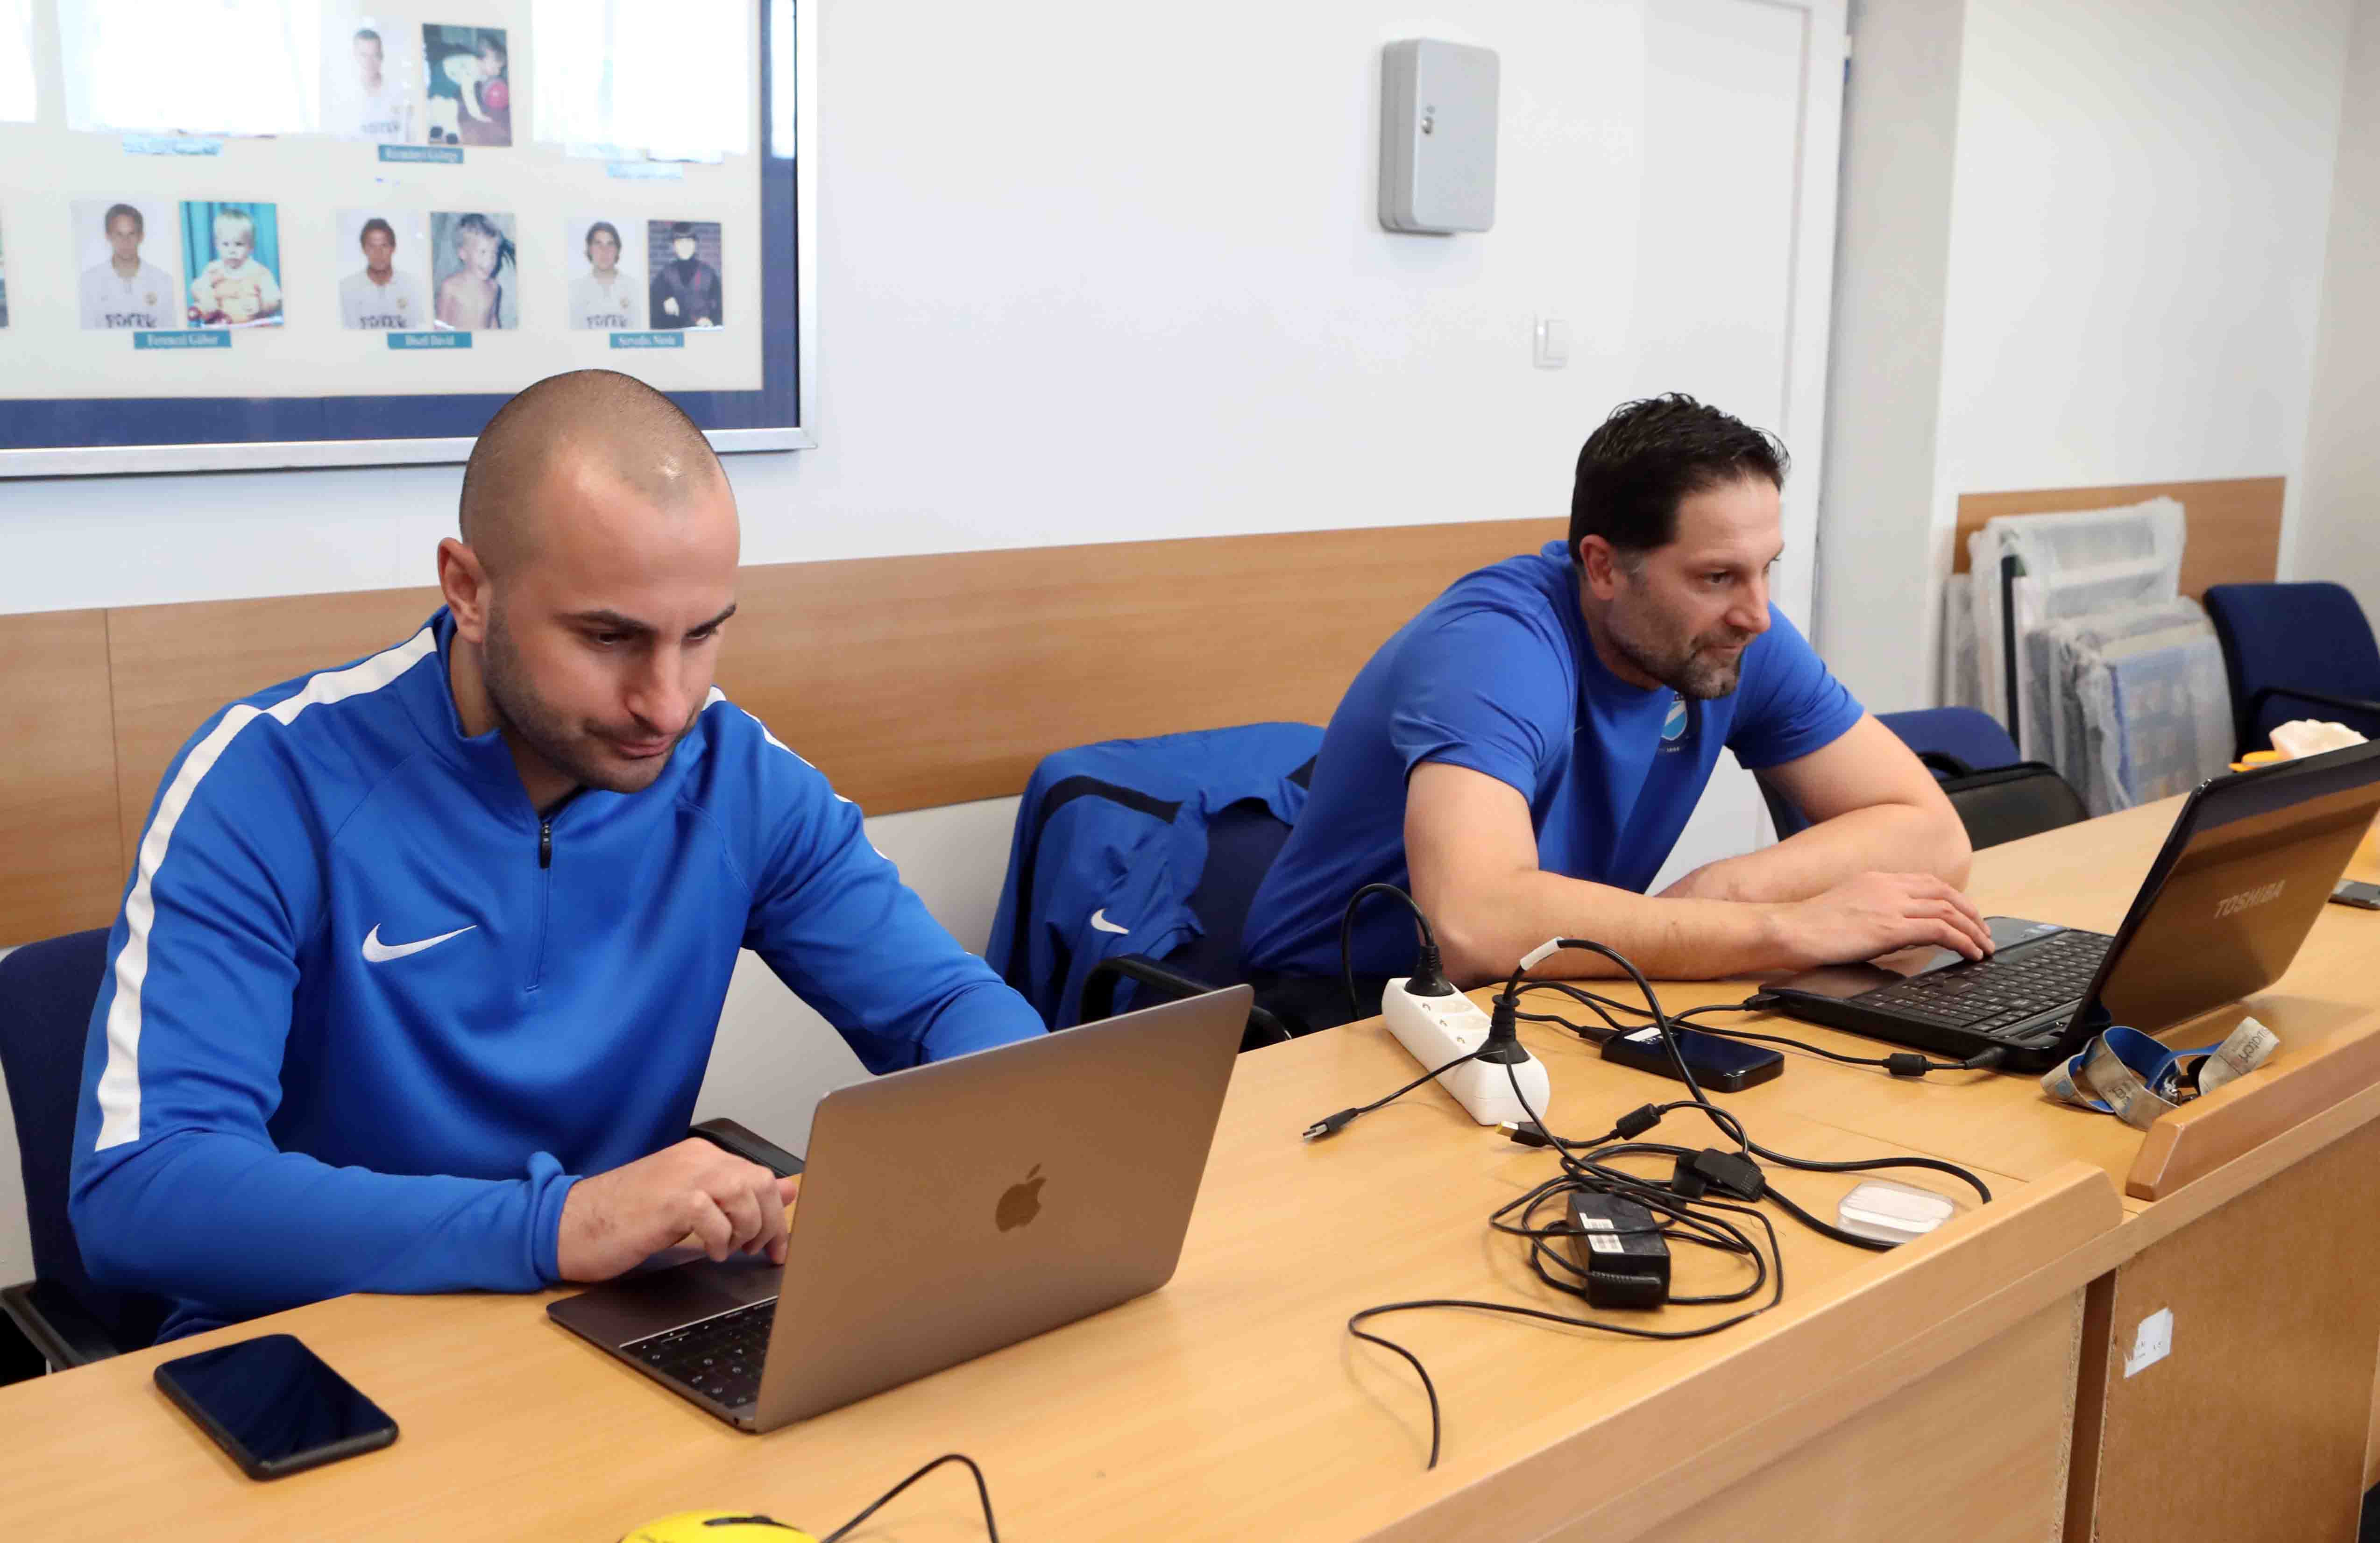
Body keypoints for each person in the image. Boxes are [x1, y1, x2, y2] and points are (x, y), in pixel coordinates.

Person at [70, 370, 1049, 1341]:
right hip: (316, 1354)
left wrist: (922, 1164)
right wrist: (560, 1223)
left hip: (603, 1336)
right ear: (469, 589)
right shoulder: (268, 781)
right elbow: (143, 1188)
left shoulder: (740, 779)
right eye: (609, 637)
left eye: (702, 635)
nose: (667, 702)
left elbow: (949, 1009)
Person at [1241, 394, 1987, 1027]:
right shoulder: (1496, 648)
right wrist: (1784, 927)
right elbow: (1472, 924)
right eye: (1717, 576)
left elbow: (1933, 834)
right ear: (1602, 566)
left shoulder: (1732, 637)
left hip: (1534, 990)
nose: (1757, 614)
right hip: (1337, 1012)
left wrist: (1723, 894)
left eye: (1767, 569)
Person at [77, 204, 179, 330]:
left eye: (131, 234)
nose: (125, 242)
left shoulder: (164, 282)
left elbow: (169, 333)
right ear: (108, 236)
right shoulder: (89, 282)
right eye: (119, 234)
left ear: (141, 236)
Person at [187, 206, 282, 327]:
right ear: (217, 245)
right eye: (226, 244)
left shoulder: (259, 272)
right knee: (203, 298)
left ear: (251, 246)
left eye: (239, 244)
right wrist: (207, 298)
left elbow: (275, 299)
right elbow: (198, 288)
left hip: (251, 326)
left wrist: (261, 306)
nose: (232, 251)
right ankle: (200, 311)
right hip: (220, 324)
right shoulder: (213, 270)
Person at [339, 217, 427, 330]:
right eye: (372, 247)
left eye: (384, 246)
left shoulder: (413, 287)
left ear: (393, 248)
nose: (378, 253)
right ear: (364, 249)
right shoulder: (346, 290)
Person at [436, 212, 510, 330]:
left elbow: (493, 320)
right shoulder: (450, 287)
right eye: (483, 252)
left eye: (494, 253)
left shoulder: (494, 287)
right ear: (463, 254)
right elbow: (441, 324)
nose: (490, 260)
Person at [338, 27, 412, 143]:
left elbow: (409, 139)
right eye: (364, 55)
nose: (369, 62)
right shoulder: (346, 98)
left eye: (375, 55)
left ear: (382, 56)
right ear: (354, 57)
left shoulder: (400, 94)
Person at [568, 221, 644, 330]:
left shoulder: (634, 288)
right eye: (598, 244)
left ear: (617, 250)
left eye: (610, 244)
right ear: (590, 249)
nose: (604, 251)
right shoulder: (575, 290)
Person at [649, 222, 721, 329]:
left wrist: (712, 321)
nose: (685, 247)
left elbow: (722, 307)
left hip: (704, 331)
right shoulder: (665, 274)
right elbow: (652, 304)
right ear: (674, 246)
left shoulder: (708, 273)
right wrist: (663, 302)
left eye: (689, 241)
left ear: (695, 244)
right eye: (680, 242)